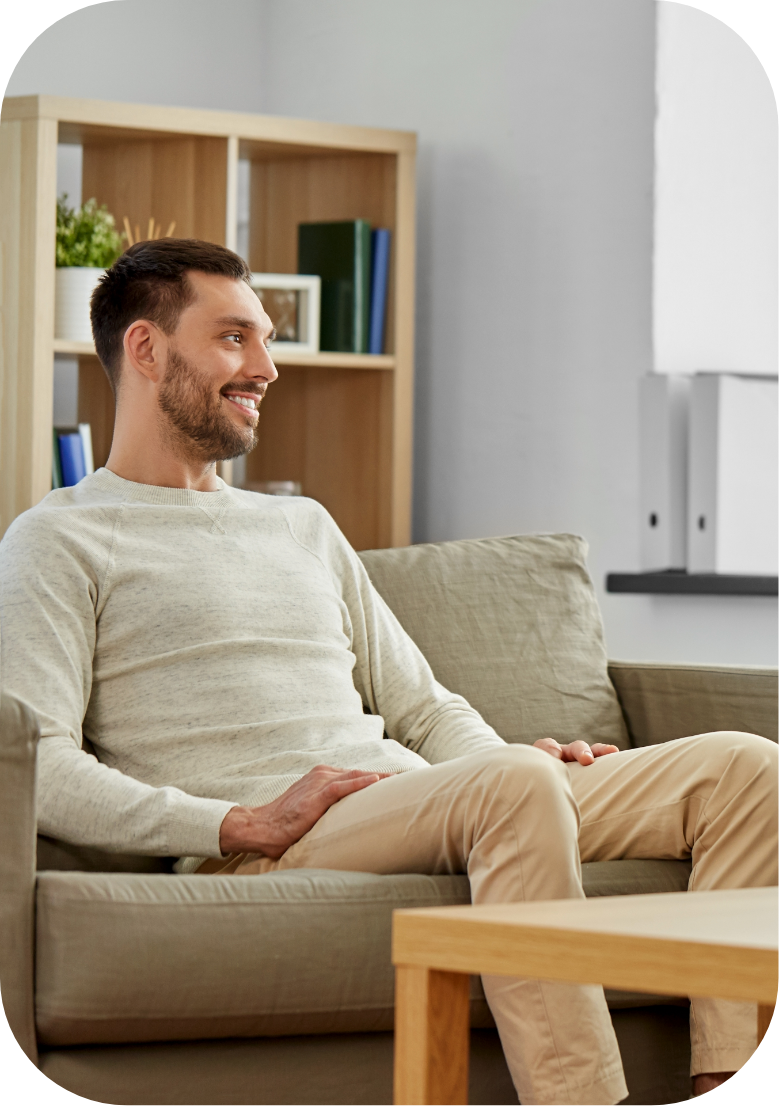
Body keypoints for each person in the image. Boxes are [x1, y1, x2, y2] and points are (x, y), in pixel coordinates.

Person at [2, 239, 777, 1106]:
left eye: (265, 339)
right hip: (279, 841)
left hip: (420, 798)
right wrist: (236, 823)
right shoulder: (59, 538)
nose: (265, 366)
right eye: (233, 339)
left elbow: (420, 703)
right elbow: (40, 768)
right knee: (513, 785)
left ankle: (732, 1093)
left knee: (744, 769)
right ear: (145, 350)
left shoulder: (300, 525)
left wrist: (513, 761)